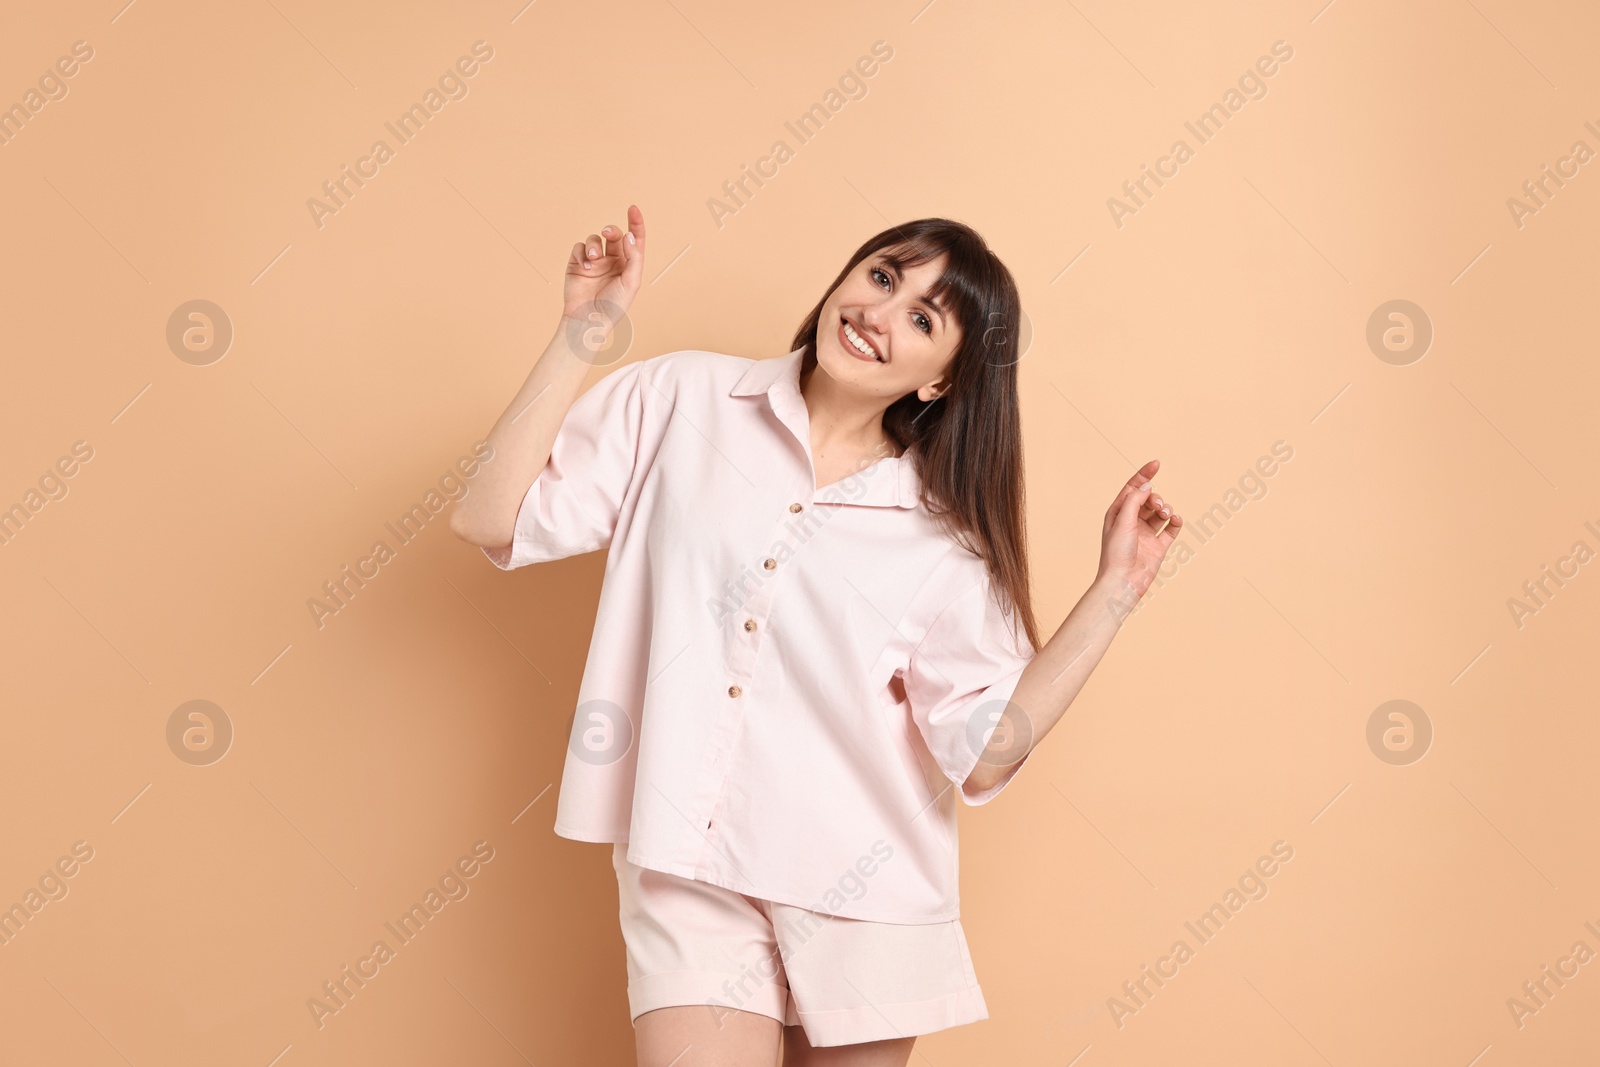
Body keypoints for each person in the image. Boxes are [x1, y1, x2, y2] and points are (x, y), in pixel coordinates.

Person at [451, 205, 1183, 1066]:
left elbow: (984, 751)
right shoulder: (681, 398)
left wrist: (1116, 590)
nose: (879, 312)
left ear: (942, 380)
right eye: (881, 276)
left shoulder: (944, 539)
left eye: (922, 317)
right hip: (690, 865)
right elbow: (489, 515)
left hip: (866, 894)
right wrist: (582, 332)